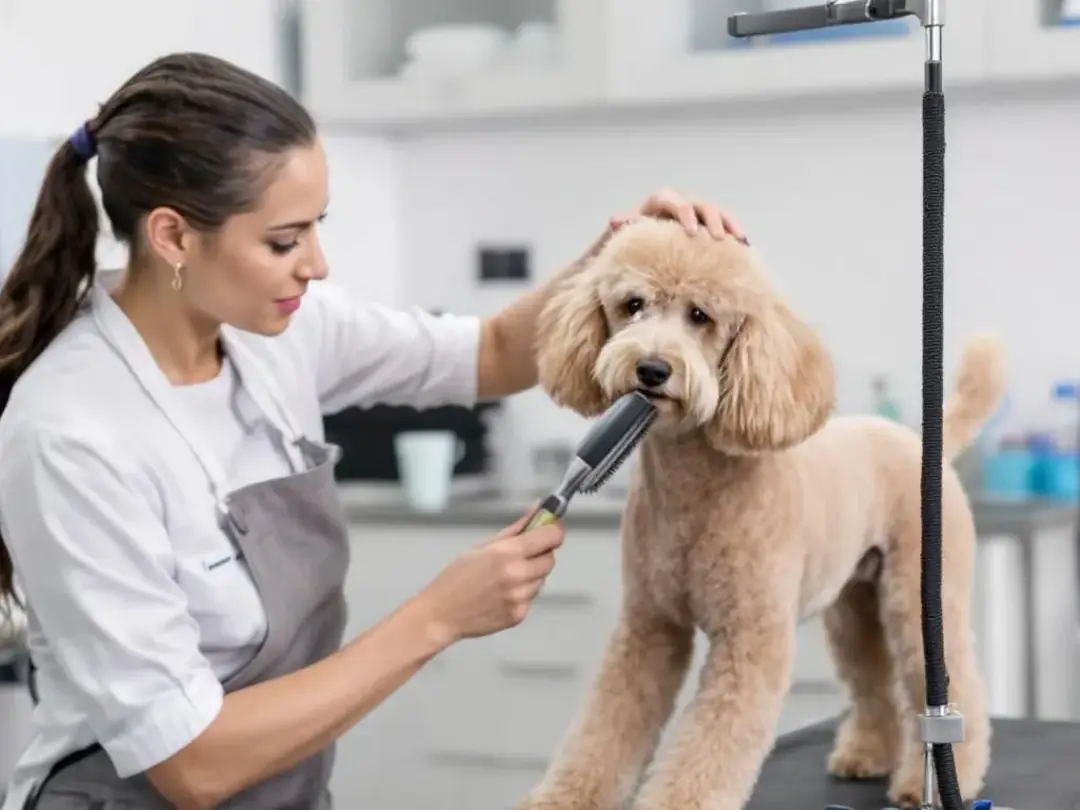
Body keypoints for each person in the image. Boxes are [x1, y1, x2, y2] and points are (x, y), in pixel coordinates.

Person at [0, 52, 745, 810]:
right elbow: (192, 764)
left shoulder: (277, 329)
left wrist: (620, 252)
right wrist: (439, 616)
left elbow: (489, 353)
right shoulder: (71, 434)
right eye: (285, 241)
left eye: (317, 228)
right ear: (173, 237)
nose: (317, 266)